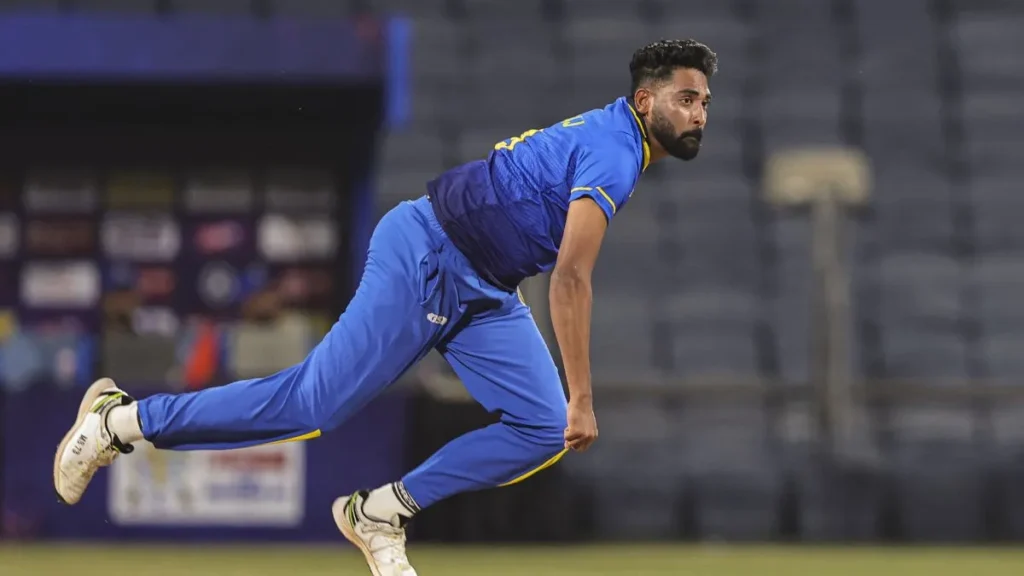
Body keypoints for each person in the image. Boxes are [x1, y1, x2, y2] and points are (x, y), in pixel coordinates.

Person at [54, 39, 715, 576]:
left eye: (705, 102)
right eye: (686, 99)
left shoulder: (615, 136)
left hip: (486, 286)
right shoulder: (616, 150)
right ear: (644, 100)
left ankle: (380, 512)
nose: (699, 114)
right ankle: (120, 422)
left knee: (542, 428)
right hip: (431, 252)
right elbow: (570, 278)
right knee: (310, 405)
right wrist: (584, 397)